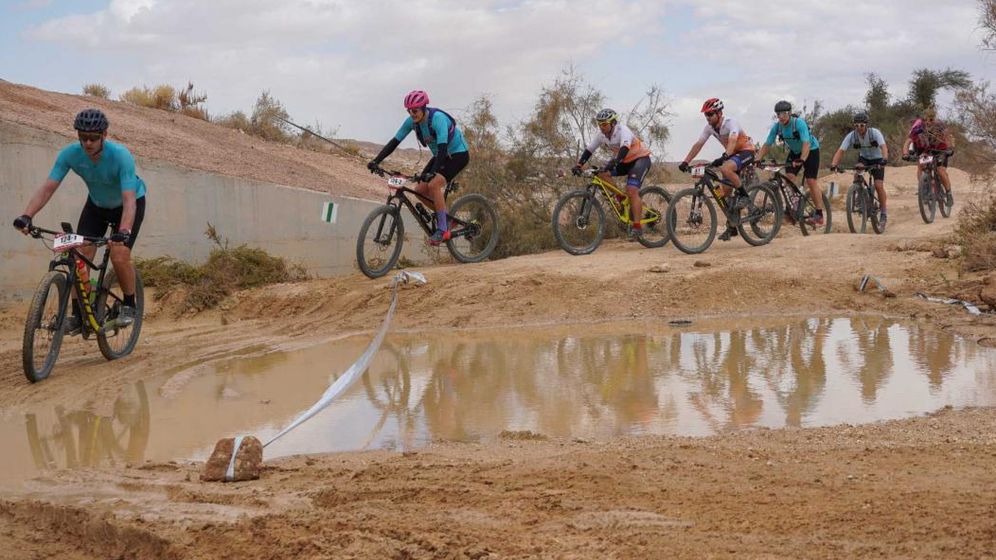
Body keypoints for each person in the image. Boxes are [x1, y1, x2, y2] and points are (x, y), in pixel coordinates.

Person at [13, 108, 146, 334]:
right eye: (82, 137)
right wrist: (27, 215)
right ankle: (77, 314)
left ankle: (130, 304)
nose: (87, 143)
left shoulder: (121, 155)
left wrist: (123, 231)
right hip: (96, 206)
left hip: (128, 205)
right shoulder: (70, 155)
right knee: (78, 254)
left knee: (119, 253)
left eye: (93, 137)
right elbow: (48, 188)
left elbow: (129, 200)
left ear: (104, 135)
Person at [367, 90, 470, 245]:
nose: (412, 114)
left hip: (457, 154)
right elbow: (394, 142)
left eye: (415, 110)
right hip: (440, 156)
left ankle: (443, 230)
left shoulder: (438, 119)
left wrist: (433, 172)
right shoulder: (411, 123)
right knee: (420, 191)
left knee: (434, 184)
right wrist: (376, 161)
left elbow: (442, 149)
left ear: (423, 108)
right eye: (409, 111)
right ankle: (447, 217)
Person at [678, 98, 757, 241]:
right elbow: (699, 144)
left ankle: (745, 196)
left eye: (710, 114)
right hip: (732, 155)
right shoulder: (709, 128)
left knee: (726, 168)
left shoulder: (730, 122)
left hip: (746, 151)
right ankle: (732, 227)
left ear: (719, 113)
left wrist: (726, 155)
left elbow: (733, 140)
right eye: (705, 115)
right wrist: (686, 161)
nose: (707, 118)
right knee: (724, 193)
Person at [572, 108, 653, 240]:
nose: (602, 127)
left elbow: (625, 148)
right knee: (601, 174)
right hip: (624, 162)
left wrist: (614, 162)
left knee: (632, 190)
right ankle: (620, 198)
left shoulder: (623, 130)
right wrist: (578, 165)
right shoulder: (601, 135)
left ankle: (637, 227)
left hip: (640, 159)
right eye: (599, 124)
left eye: (604, 124)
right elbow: (589, 150)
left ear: (613, 123)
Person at [756, 100, 826, 226]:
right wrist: (758, 158)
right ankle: (794, 206)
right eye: (778, 114)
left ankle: (819, 214)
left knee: (811, 180)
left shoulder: (798, 123)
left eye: (783, 114)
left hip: (811, 150)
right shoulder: (777, 127)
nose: (781, 117)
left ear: (789, 113)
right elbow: (768, 143)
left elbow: (806, 143)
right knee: (789, 178)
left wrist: (803, 159)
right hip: (795, 152)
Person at [829, 112, 890, 228]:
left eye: (861, 125)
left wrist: (885, 159)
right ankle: (858, 192)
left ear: (866, 125)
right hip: (864, 159)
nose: (859, 128)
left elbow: (884, 147)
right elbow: (841, 150)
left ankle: (883, 213)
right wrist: (834, 164)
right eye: (856, 126)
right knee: (857, 170)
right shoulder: (852, 136)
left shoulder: (875, 133)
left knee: (878, 185)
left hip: (878, 159)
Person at [902, 107, 955, 208]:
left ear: (934, 119)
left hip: (941, 150)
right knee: (921, 165)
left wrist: (950, 148)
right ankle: (924, 188)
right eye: (926, 120)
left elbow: (949, 136)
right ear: (922, 119)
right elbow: (908, 141)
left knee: (940, 170)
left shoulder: (940, 125)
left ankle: (948, 194)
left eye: (931, 119)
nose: (928, 122)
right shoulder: (917, 127)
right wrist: (905, 153)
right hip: (927, 150)